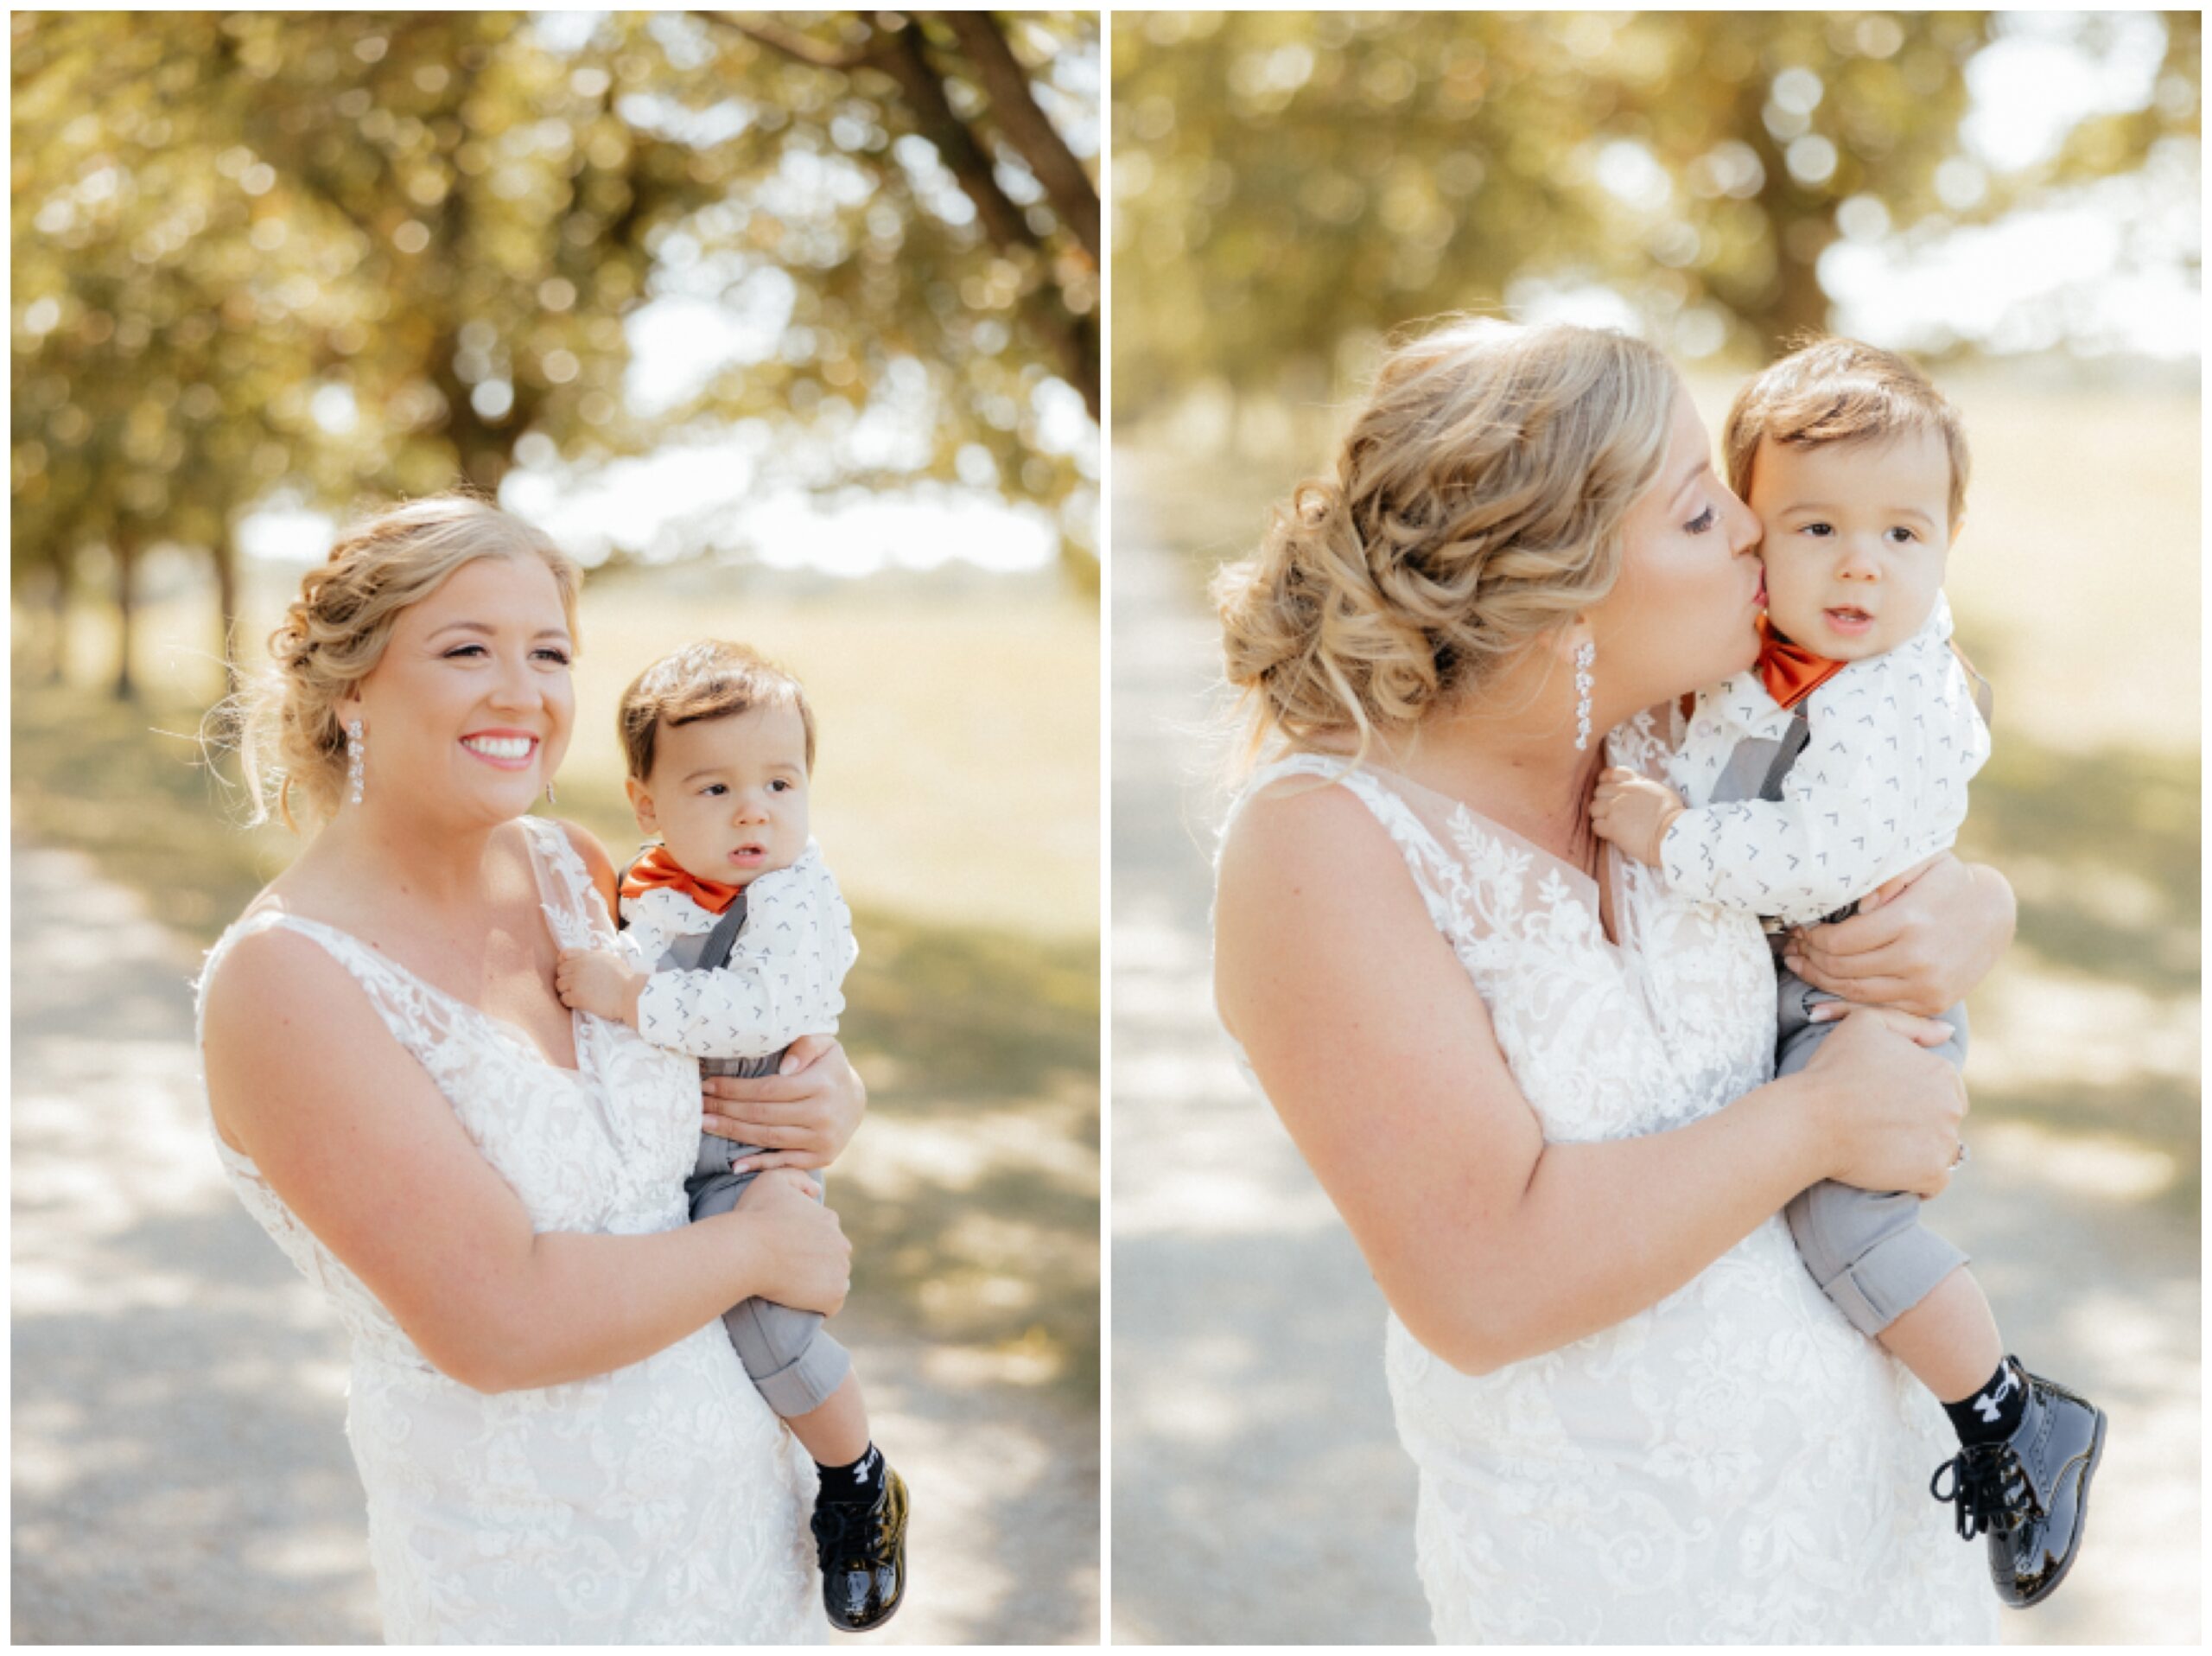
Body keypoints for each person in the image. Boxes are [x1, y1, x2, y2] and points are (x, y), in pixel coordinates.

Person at [1211, 318, 2018, 1642]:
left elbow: (1884, 793)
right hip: (1622, 1581)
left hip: (1877, 1530)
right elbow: (1482, 1288)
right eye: (1705, 514)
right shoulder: (1324, 843)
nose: (1763, 541)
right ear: (1568, 580)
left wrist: (1974, 906)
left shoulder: (1671, 738)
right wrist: (1819, 1119)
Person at [197, 494, 865, 1643]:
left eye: (549, 652)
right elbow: (497, 1323)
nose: (524, 692)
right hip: (537, 1580)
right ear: (353, 686)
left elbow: (705, 1060)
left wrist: (823, 1093)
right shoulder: (286, 981)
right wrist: (759, 1245)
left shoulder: (577, 871)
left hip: (749, 1535)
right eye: (467, 650)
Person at [1591, 337, 2104, 1608]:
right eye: (1817, 526)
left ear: (1947, 547)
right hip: (1806, 994)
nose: (1863, 562)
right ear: (1751, 535)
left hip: (1858, 1004)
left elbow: (1817, 850)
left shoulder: (1894, 694)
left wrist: (1670, 833)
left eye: (1904, 534)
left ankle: (2010, 1415)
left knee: (1847, 1222)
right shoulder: (1763, 653)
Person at [553, 639, 908, 1631]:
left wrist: (635, 997)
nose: (755, 809)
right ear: (647, 802)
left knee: (768, 1323)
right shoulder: (651, 884)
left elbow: (756, 1013)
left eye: (780, 782)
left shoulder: (797, 899)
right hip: (665, 1157)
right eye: (714, 785)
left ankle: (856, 1476)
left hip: (751, 1152)